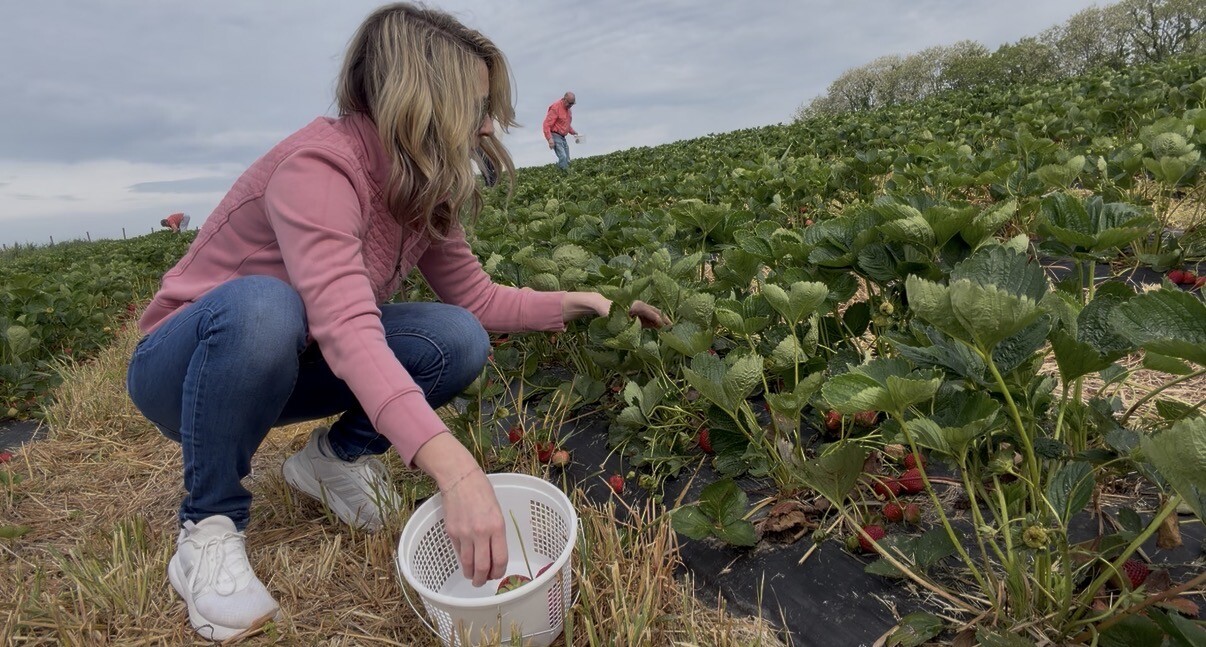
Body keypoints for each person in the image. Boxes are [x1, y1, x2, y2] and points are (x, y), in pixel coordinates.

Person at [125, 4, 666, 641]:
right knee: (264, 306)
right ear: (425, 101)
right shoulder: (319, 168)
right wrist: (458, 471)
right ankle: (208, 526)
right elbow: (351, 330)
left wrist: (588, 303)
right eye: (476, 105)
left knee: (457, 339)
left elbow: (478, 300)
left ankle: (333, 460)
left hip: (287, 357)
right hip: (185, 370)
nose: (486, 123)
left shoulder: (422, 187)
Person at [542, 92, 580, 171]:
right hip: (555, 135)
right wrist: (549, 139)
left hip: (563, 137)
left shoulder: (568, 110)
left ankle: (562, 172)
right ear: (565, 100)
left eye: (572, 104)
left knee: (567, 159)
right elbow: (546, 124)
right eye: (570, 103)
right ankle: (563, 175)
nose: (571, 105)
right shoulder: (556, 107)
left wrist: (574, 132)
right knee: (563, 156)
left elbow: (566, 125)